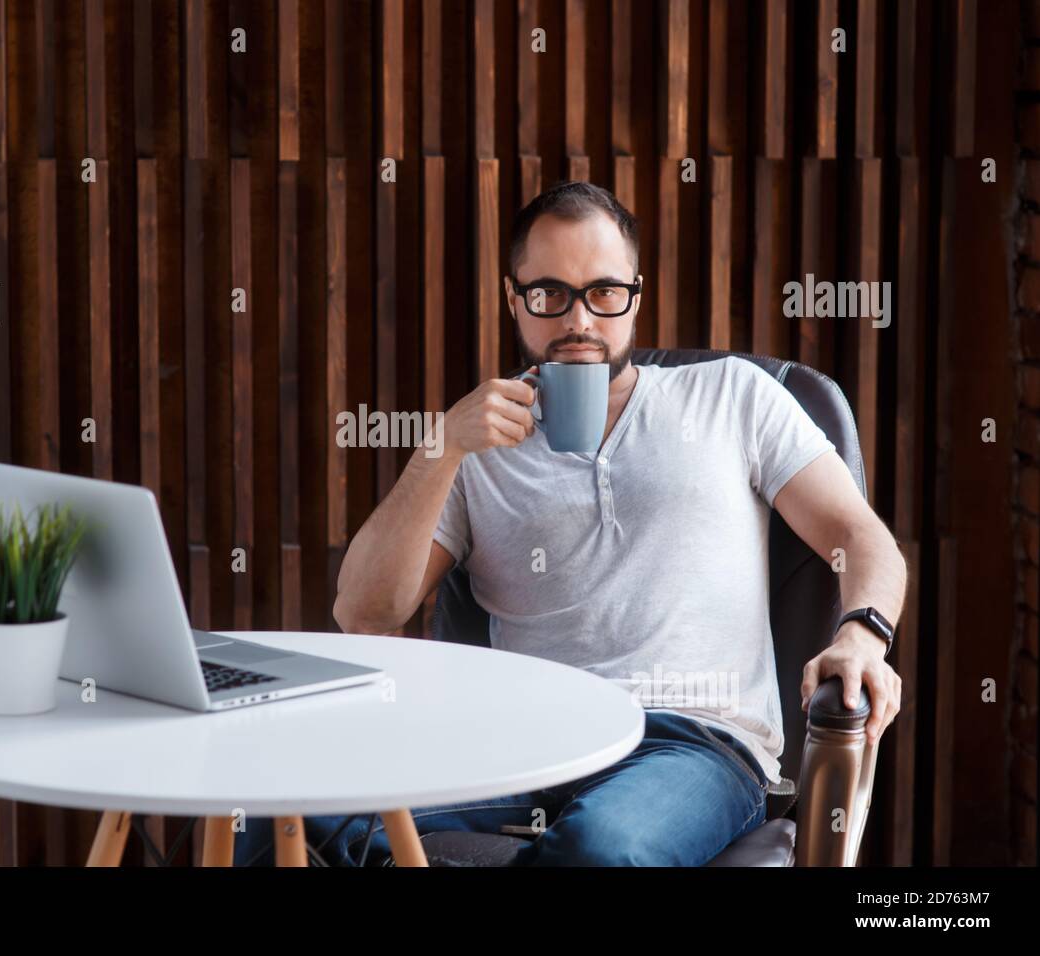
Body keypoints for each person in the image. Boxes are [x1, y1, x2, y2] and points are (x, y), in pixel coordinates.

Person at [233, 180, 906, 867]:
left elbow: (860, 537)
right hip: (519, 749)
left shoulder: (735, 397)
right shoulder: (475, 447)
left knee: (599, 851)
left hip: (691, 744)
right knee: (276, 808)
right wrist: (441, 447)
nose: (578, 319)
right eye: (549, 293)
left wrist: (863, 636)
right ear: (513, 298)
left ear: (635, 296)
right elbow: (365, 612)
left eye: (604, 292)